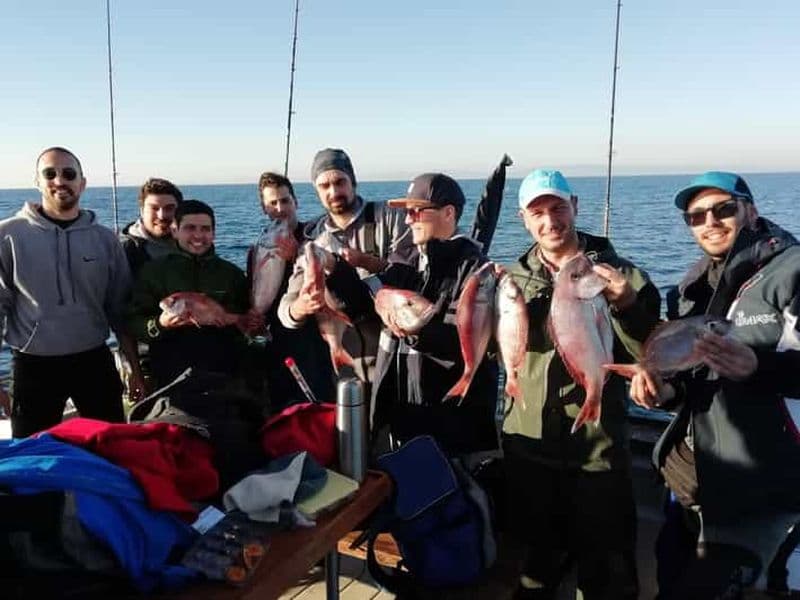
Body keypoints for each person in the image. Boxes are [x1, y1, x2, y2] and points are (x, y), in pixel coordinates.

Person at [628, 171, 800, 599]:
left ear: (751, 210)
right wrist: (663, 392)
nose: (710, 221)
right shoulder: (689, 290)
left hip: (763, 487)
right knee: (671, 580)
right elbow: (691, 386)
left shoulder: (793, 272)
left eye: (723, 209)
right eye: (696, 216)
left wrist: (759, 368)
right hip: (690, 476)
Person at [502, 169, 661, 600]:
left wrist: (626, 303)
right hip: (530, 445)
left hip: (599, 449)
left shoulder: (620, 275)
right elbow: (487, 342)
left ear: (575, 206)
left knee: (607, 576)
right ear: (523, 219)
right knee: (534, 571)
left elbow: (650, 348)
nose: (550, 221)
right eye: (538, 212)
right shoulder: (513, 280)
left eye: (558, 208)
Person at [322, 173, 499, 459]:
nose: (407, 220)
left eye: (416, 211)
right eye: (406, 213)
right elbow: (366, 303)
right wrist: (333, 271)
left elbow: (460, 341)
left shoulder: (477, 274)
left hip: (454, 430)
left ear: (448, 213)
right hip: (405, 422)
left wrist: (414, 327)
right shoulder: (408, 266)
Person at [0, 147, 145, 437]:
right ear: (37, 182)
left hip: (94, 362)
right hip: (34, 367)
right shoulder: (8, 236)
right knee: (37, 463)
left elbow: (119, 310)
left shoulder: (105, 240)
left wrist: (134, 367)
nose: (59, 180)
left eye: (69, 173)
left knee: (112, 448)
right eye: (49, 173)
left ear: (82, 183)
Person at [277, 148, 413, 383]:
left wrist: (363, 264)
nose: (334, 191)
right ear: (316, 191)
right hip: (349, 369)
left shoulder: (391, 217)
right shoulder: (312, 239)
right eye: (324, 186)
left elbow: (411, 276)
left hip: (399, 358)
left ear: (353, 181)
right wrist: (301, 306)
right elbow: (286, 309)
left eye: (340, 182)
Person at [127, 200, 253, 390]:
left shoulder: (232, 274)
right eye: (189, 228)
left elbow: (246, 323)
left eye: (205, 228)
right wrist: (160, 324)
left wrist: (247, 323)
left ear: (214, 233)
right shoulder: (153, 272)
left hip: (225, 374)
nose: (198, 235)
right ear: (175, 230)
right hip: (171, 376)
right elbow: (133, 323)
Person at [248, 172, 334, 408]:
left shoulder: (317, 235)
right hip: (278, 339)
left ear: (296, 202)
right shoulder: (256, 249)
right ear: (264, 208)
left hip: (316, 337)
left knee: (319, 404)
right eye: (272, 203)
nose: (280, 208)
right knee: (282, 406)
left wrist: (298, 253)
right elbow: (256, 293)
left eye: (285, 201)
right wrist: (255, 319)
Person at [119, 177, 183, 276]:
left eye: (169, 208)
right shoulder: (123, 252)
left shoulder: (192, 245)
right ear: (142, 211)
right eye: (154, 208)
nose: (161, 216)